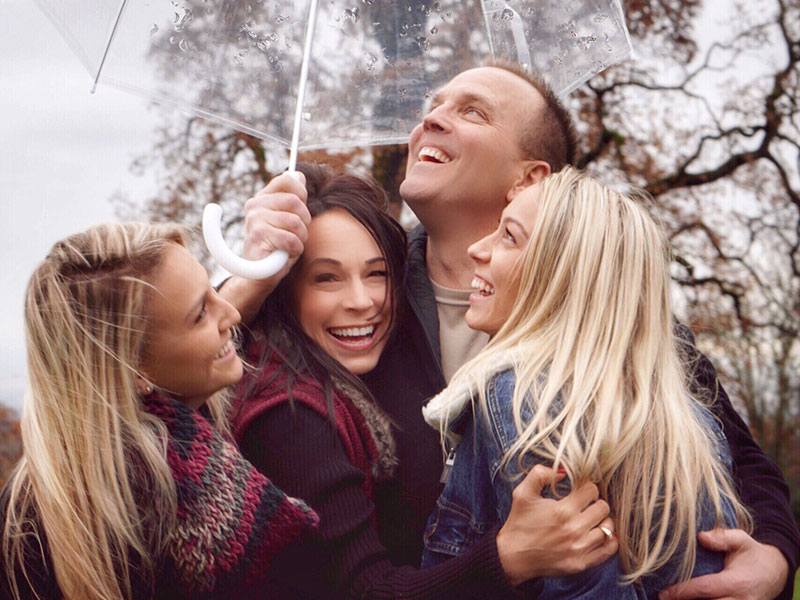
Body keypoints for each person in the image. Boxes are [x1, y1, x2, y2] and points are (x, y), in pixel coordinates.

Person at [223, 64, 799, 598]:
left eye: (473, 112)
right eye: (434, 103)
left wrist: (774, 557)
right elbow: (187, 391)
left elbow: (736, 458)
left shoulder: (614, 318)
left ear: (531, 180)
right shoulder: (361, 302)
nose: (430, 117)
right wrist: (251, 274)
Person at [229, 164, 618, 599]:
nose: (362, 302)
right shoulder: (289, 414)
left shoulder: (356, 376)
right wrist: (510, 556)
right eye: (327, 278)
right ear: (284, 290)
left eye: (377, 274)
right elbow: (367, 591)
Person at [421, 167, 753, 598]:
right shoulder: (685, 416)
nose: (477, 248)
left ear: (564, 276)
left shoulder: (524, 395)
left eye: (509, 237)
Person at [0, 223, 318, 600]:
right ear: (135, 371)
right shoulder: (153, 505)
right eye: (201, 313)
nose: (230, 311)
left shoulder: (67, 480)